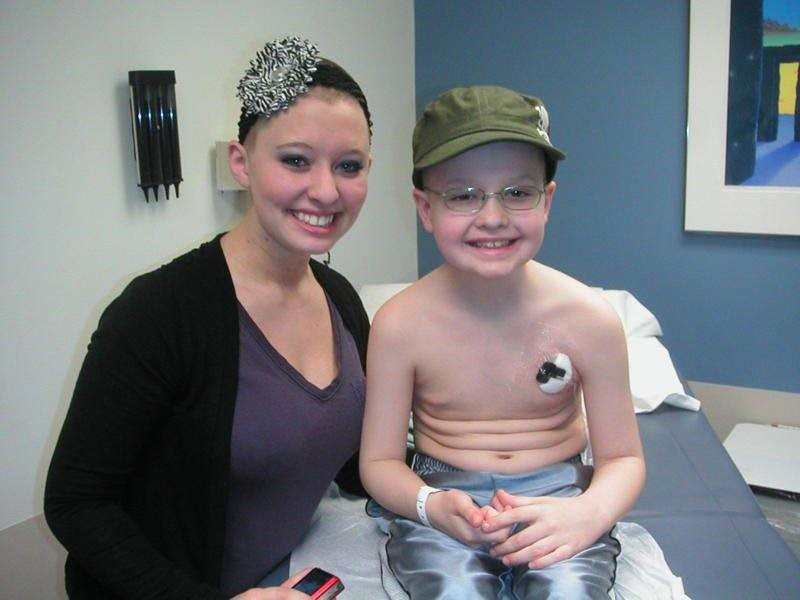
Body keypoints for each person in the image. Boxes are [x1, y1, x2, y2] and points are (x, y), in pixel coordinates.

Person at [45, 37, 373, 599]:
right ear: (240, 163)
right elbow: (76, 503)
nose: (325, 190)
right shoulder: (158, 313)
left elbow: (356, 466)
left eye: (349, 165)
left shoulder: (340, 298)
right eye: (295, 159)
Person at [360, 85, 645, 599]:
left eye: (517, 192)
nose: (492, 217)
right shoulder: (399, 325)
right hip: (445, 498)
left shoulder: (589, 320)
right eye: (462, 195)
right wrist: (429, 505)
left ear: (547, 200)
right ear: (425, 209)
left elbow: (624, 458)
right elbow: (378, 464)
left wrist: (587, 514)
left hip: (557, 496)